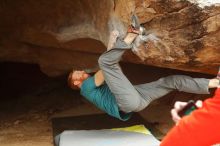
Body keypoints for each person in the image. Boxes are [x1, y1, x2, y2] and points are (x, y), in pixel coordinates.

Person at [68, 27, 220, 121]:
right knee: (104, 61)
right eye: (77, 73)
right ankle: (132, 33)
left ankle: (215, 82)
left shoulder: (94, 85)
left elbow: (111, 67)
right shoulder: (85, 88)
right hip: (128, 102)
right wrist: (110, 42)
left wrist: (111, 43)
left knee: (172, 81)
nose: (81, 71)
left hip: (138, 99)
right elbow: (106, 68)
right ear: (76, 82)